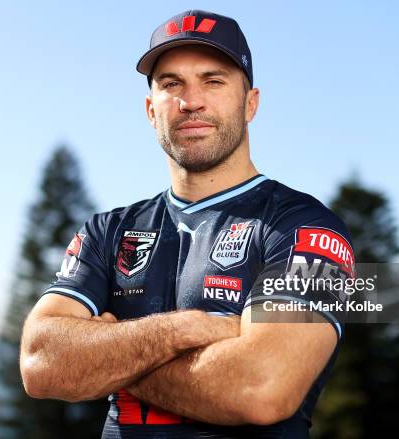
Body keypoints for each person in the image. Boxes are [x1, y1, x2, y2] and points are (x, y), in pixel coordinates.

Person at [20, 9, 354, 438]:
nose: (190, 100)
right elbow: (40, 364)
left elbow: (261, 387)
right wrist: (189, 328)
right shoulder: (108, 231)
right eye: (171, 84)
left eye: (213, 81)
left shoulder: (304, 228)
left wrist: (106, 355)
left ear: (250, 103)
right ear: (149, 109)